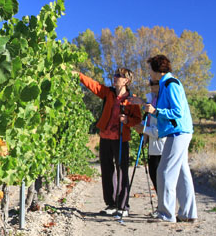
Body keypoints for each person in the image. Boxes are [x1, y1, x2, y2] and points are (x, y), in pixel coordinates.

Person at [131, 55, 197, 223]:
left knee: (164, 171)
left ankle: (166, 214)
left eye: (150, 70)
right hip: (179, 132)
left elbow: (177, 112)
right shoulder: (167, 84)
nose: (149, 74)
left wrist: (156, 111)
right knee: (182, 173)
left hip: (178, 132)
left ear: (157, 71)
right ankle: (188, 213)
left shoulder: (170, 84)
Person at [75, 68, 142, 217]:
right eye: (115, 75)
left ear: (126, 81)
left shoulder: (132, 99)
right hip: (105, 137)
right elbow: (94, 85)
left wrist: (127, 120)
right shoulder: (108, 93)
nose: (115, 77)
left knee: (122, 171)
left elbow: (137, 119)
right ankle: (111, 204)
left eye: (119, 76)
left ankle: (123, 205)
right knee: (106, 171)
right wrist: (79, 75)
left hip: (121, 139)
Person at [133, 79, 167, 195]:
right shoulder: (151, 100)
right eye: (150, 83)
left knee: (161, 178)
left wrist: (144, 129)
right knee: (153, 175)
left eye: (155, 83)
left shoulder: (164, 101)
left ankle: (165, 207)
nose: (151, 86)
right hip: (152, 147)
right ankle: (161, 205)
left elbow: (162, 129)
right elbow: (147, 120)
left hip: (162, 146)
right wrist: (140, 127)